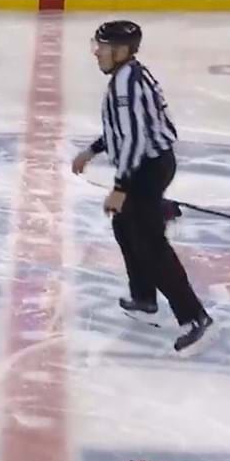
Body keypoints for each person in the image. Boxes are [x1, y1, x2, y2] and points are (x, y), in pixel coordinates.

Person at [72, 20, 214, 354]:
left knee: (150, 243)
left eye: (103, 47)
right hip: (147, 166)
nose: (97, 53)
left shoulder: (127, 85)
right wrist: (93, 150)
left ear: (121, 51)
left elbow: (135, 139)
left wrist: (122, 187)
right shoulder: (126, 76)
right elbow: (122, 130)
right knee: (124, 226)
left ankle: (194, 316)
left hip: (146, 169)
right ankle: (144, 296)